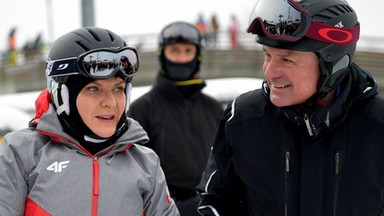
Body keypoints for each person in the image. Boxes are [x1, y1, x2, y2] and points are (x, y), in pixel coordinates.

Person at [197, 0, 384, 215]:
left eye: (287, 59)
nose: (270, 72)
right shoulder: (243, 118)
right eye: (268, 55)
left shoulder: (377, 125)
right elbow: (213, 202)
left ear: (332, 64)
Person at [0, 27, 179, 216]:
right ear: (63, 95)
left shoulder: (145, 163)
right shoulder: (21, 153)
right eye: (94, 89)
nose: (110, 103)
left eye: (118, 89)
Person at [128, 21, 223, 216]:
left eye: (187, 51)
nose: (181, 58)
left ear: (196, 56)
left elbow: (227, 163)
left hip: (211, 208)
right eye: (175, 51)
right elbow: (132, 174)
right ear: (163, 55)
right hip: (165, 209)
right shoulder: (142, 109)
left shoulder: (213, 108)